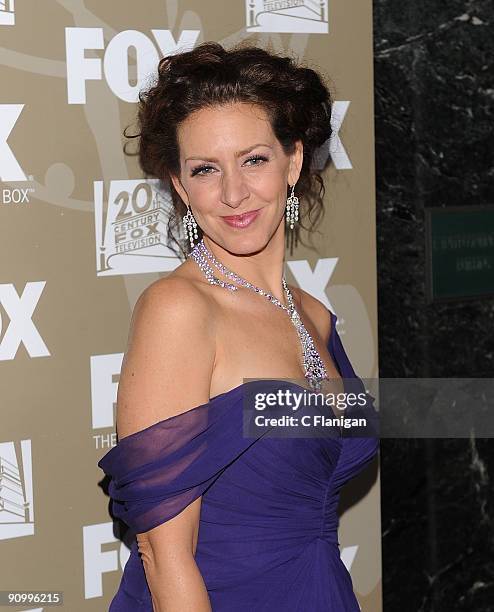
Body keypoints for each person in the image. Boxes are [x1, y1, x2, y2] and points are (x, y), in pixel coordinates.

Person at [98, 41, 379, 611]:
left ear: (293, 161)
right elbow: (164, 552)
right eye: (205, 169)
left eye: (253, 159)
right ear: (180, 185)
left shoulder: (316, 317)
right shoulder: (178, 310)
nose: (232, 193)